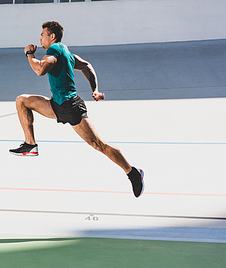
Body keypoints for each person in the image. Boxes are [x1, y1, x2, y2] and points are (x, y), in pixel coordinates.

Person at [9, 21, 144, 198]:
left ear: (52, 36)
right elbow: (86, 66)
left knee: (98, 144)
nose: (40, 38)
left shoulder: (55, 50)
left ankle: (133, 173)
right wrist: (94, 89)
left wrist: (29, 54)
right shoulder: (65, 52)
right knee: (22, 101)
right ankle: (30, 145)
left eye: (42, 34)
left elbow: (40, 69)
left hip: (71, 107)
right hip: (56, 105)